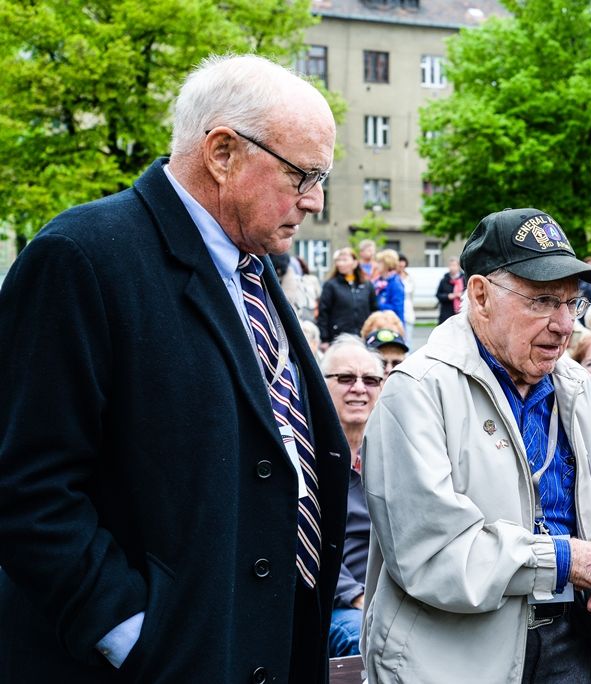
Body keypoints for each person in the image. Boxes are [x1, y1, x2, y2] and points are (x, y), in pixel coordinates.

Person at [0, 54, 350, 682]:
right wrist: (131, 635)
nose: (316, 201)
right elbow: (28, 487)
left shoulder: (251, 266)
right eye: (303, 175)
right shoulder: (81, 256)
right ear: (222, 152)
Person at [360, 208, 591, 683]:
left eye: (572, 303)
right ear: (480, 295)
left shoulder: (578, 388)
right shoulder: (416, 390)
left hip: (577, 634)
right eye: (542, 300)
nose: (564, 324)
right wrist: (566, 559)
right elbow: (434, 555)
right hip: (458, 655)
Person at [321, 339, 385, 659]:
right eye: (346, 378)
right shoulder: (307, 458)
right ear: (321, 386)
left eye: (371, 380)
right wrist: (359, 596)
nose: (359, 388)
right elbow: (303, 542)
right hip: (336, 601)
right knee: (366, 635)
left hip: (390, 597)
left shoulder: (395, 456)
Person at [318, 246, 377, 347]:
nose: (340, 263)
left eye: (344, 260)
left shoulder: (367, 285)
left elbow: (374, 310)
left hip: (362, 337)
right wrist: (324, 339)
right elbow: (323, 313)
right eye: (338, 260)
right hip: (338, 338)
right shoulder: (331, 285)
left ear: (355, 263)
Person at [373, 248, 405, 328]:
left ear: (387, 264)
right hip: (379, 323)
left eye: (380, 263)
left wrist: (376, 305)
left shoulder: (395, 283)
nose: (377, 266)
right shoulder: (378, 281)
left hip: (392, 326)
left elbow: (397, 308)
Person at [436, 256, 465, 323]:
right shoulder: (444, 280)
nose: (452, 267)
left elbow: (469, 293)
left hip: (461, 313)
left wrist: (462, 295)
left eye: (454, 265)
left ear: (458, 266)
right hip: (446, 313)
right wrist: (448, 296)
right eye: (450, 265)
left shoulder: (464, 279)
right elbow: (438, 295)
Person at [397, 253, 416, 327]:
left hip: (408, 310)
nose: (401, 264)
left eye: (403, 261)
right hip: (396, 311)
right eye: (399, 261)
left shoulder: (410, 278)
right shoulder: (393, 279)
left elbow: (412, 296)